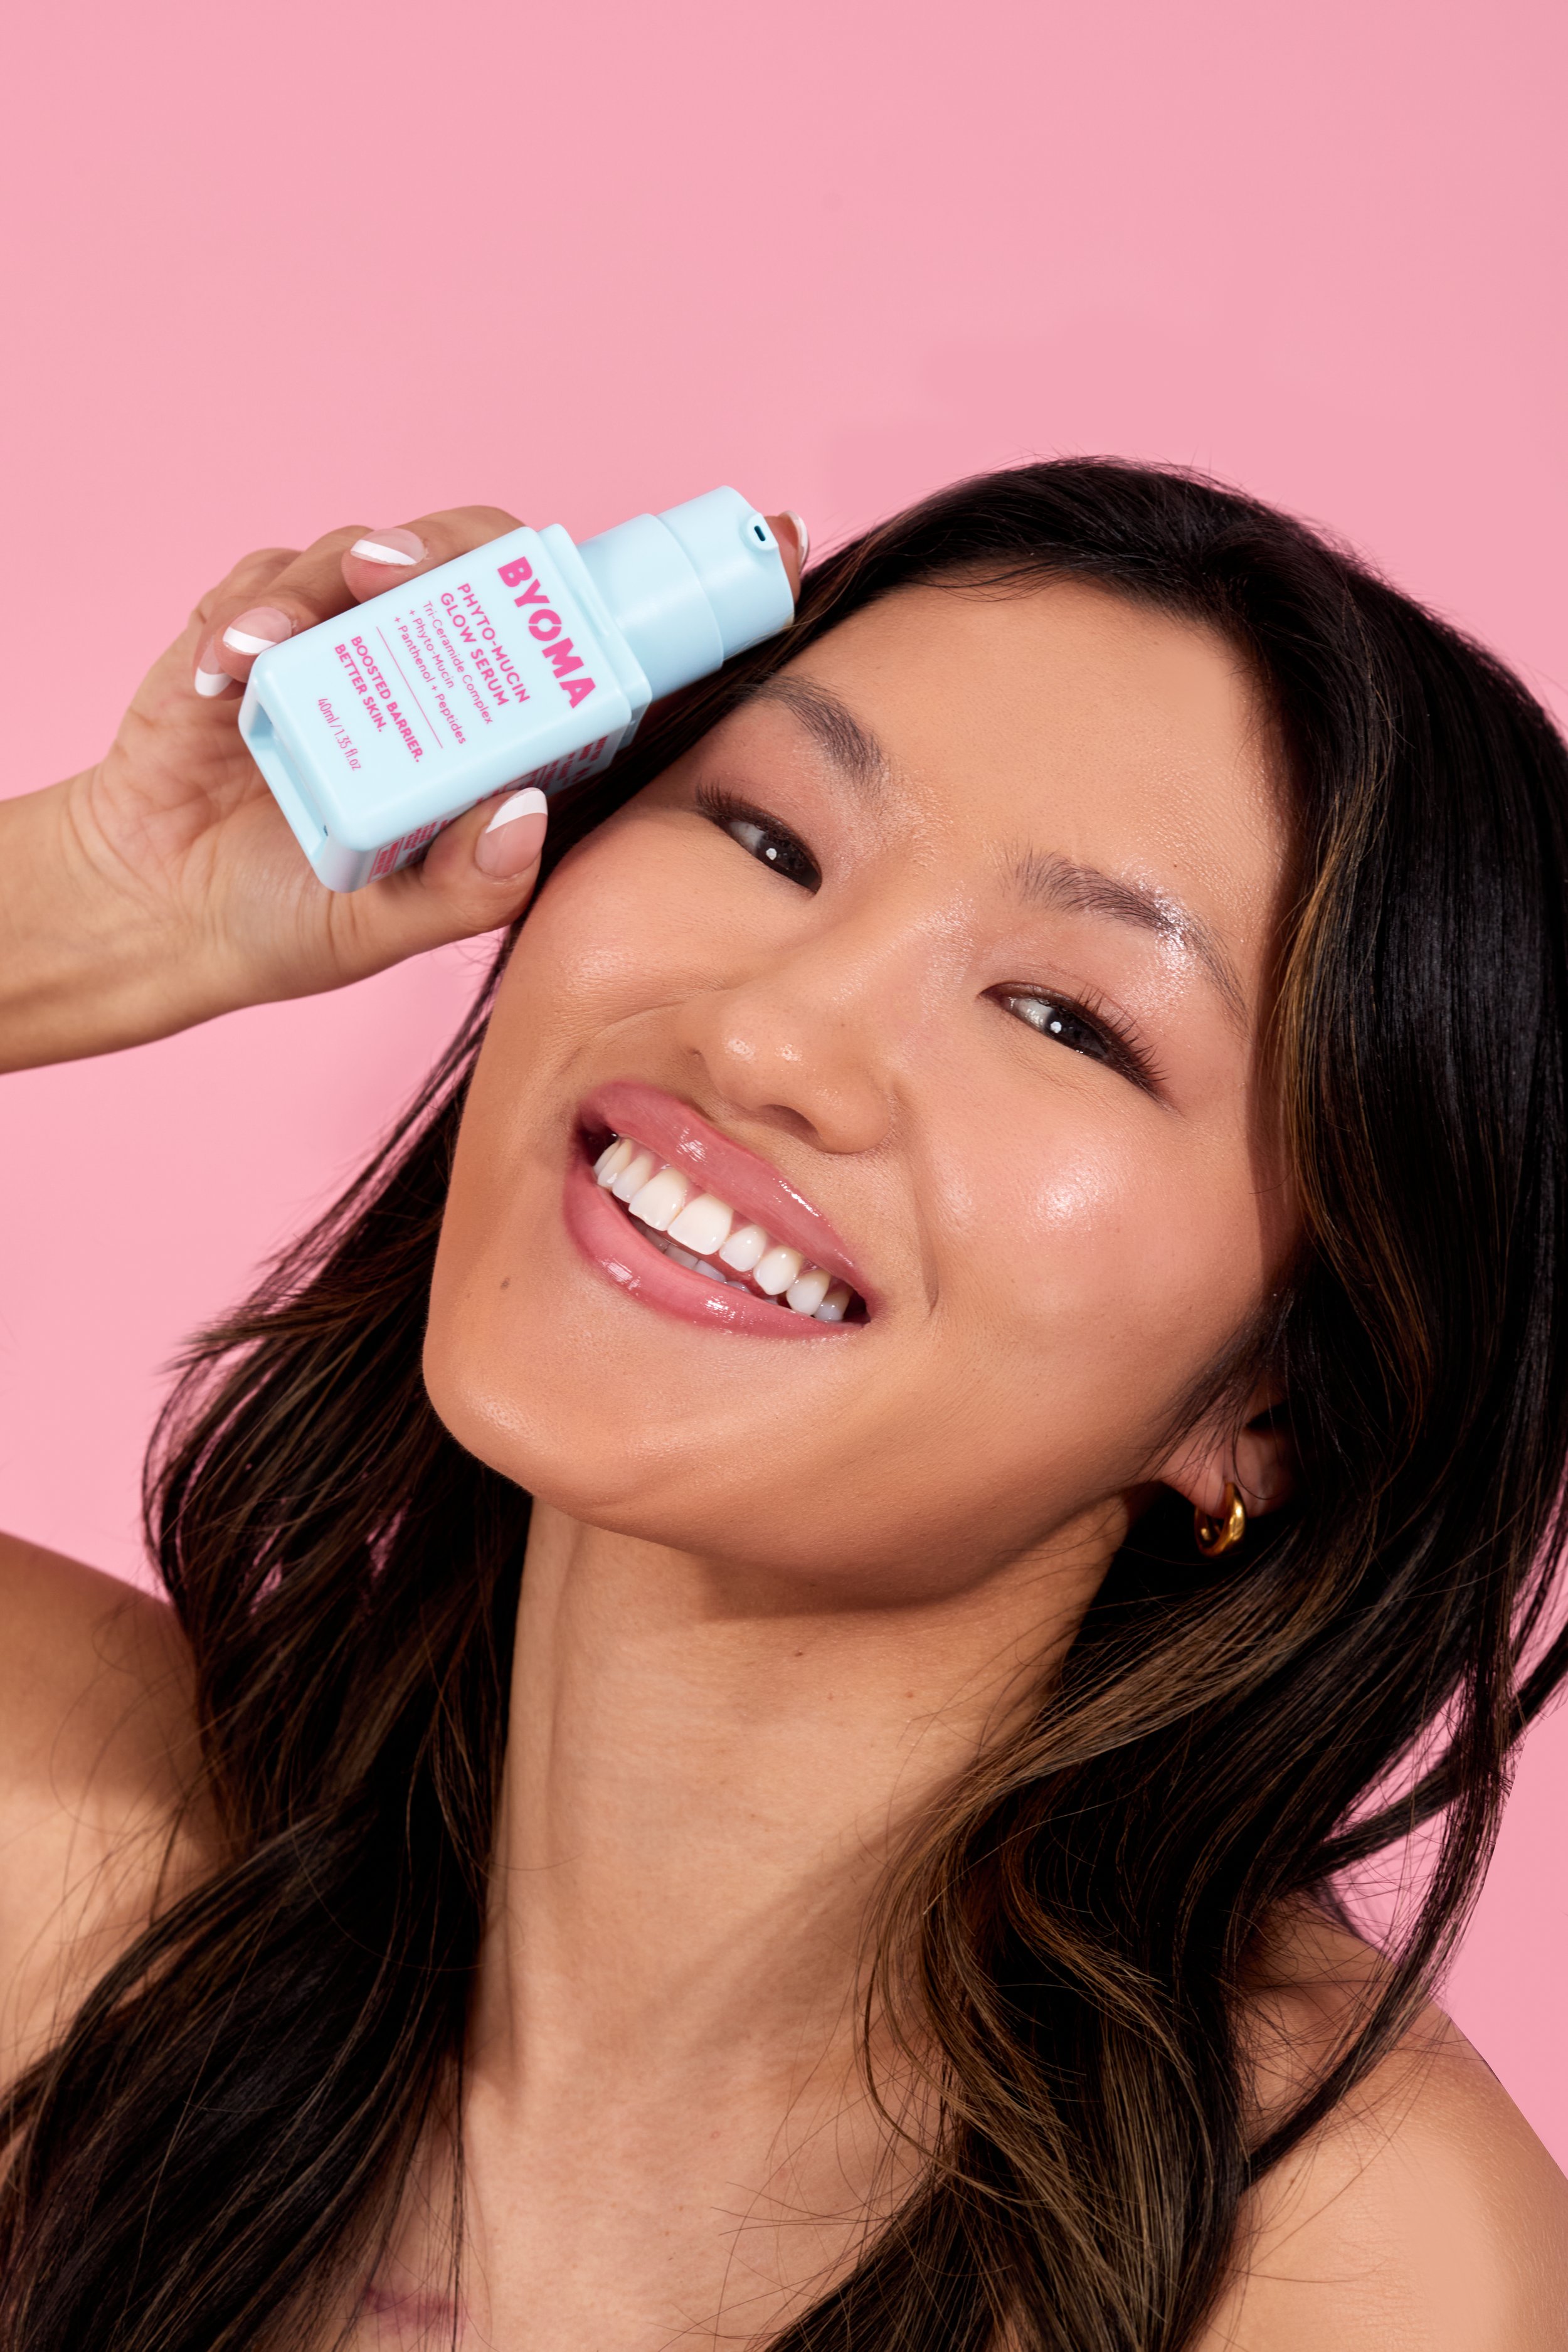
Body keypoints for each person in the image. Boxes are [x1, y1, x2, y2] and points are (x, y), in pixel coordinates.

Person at [1, 462, 1566, 2352]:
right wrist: (93, 902)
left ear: (1269, 1398)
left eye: (1065, 1018)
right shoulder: (72, 1861)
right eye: (763, 836)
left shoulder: (1338, 2278)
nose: (763, 1035)